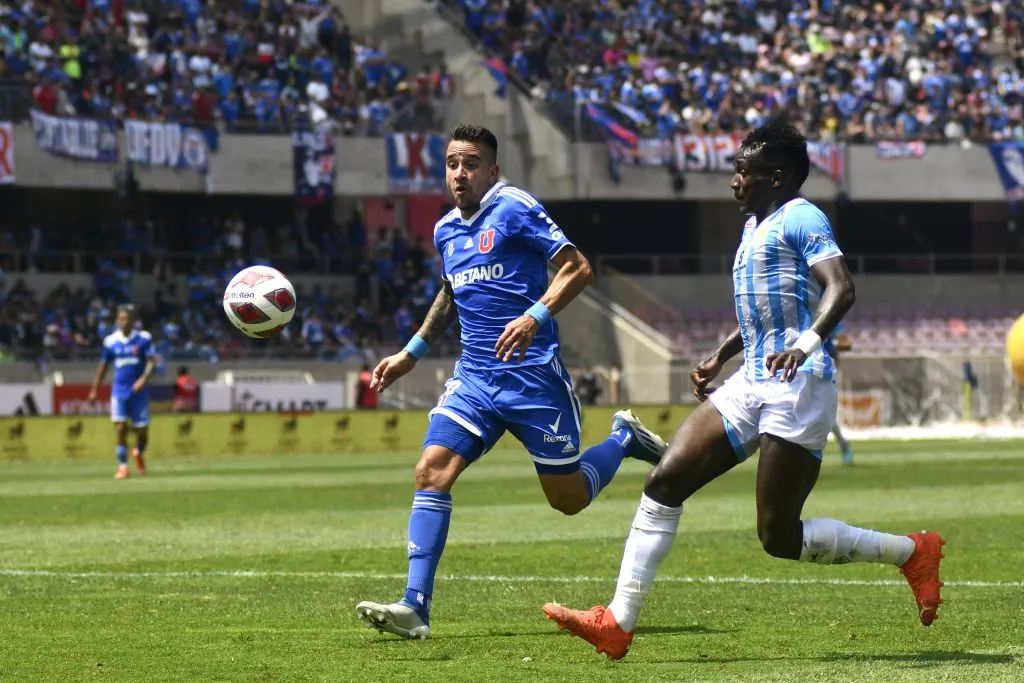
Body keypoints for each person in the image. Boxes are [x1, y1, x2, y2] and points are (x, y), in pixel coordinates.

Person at [542, 120, 945, 660]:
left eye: (742, 171)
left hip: (798, 385)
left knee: (777, 536)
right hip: (752, 380)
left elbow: (841, 288)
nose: (733, 180)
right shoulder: (754, 226)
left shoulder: (802, 216)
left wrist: (803, 345)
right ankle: (617, 621)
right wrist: (722, 354)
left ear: (775, 178)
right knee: (664, 481)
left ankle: (911, 552)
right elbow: (763, 306)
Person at [355, 123, 667, 639]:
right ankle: (415, 606)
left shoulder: (515, 207)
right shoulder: (445, 229)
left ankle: (623, 438)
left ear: (492, 171)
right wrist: (412, 352)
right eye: (453, 162)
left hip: (533, 381)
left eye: (471, 163)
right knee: (431, 470)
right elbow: (450, 291)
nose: (460, 173)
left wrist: (533, 318)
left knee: (567, 500)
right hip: (475, 378)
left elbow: (577, 267)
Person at [88, 304, 157, 479]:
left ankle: (138, 452)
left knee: (142, 430)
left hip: (138, 392)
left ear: (133, 320)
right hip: (119, 391)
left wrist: (143, 379)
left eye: (126, 319)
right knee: (120, 428)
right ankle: (123, 466)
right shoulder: (111, 342)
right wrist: (95, 389)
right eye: (120, 319)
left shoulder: (143, 339)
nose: (123, 322)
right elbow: (103, 367)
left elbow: (151, 362)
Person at [830, 321, 854, 464]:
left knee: (825, 414)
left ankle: (843, 443)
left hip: (827, 372)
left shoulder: (831, 317)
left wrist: (828, 344)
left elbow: (846, 344)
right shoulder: (801, 315)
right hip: (802, 372)